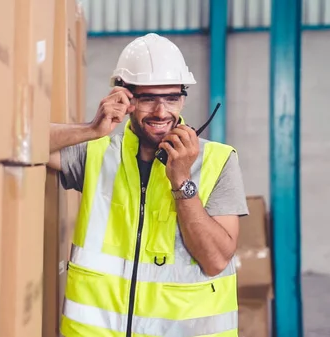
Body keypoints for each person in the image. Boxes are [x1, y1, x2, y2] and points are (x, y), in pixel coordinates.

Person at [48, 33, 249, 337]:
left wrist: (182, 181)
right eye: (147, 98)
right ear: (125, 97)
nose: (161, 112)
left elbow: (216, 259)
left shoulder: (219, 161)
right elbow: (19, 141)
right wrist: (91, 129)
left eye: (171, 98)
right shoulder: (97, 152)